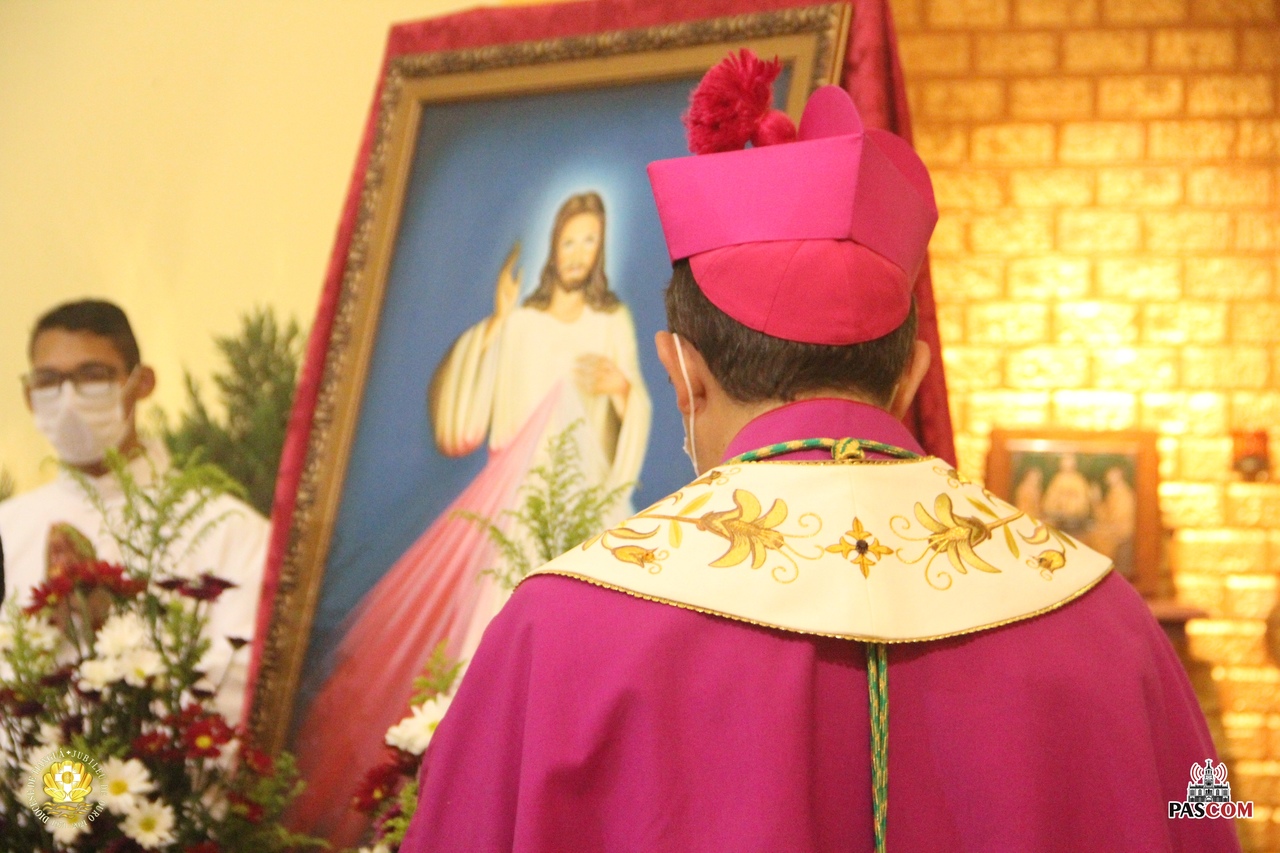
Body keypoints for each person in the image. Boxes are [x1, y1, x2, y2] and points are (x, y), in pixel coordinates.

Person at [399, 51, 1236, 852]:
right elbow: (1208, 811)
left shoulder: (551, 636)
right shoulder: (1115, 626)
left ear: (683, 374)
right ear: (911, 376)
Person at [287, 192, 651, 844]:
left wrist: (623, 392)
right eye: (569, 240)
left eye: (589, 241)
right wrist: (497, 325)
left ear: (600, 251)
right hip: (512, 512)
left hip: (584, 513)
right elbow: (470, 421)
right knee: (486, 642)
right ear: (554, 247)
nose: (577, 253)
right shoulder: (525, 323)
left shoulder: (611, 320)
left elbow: (634, 411)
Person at [0, 300, 268, 724]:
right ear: (29, 396)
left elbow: (243, 684)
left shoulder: (226, 528)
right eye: (48, 381)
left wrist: (116, 635)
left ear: (141, 383)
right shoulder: (8, 528)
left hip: (167, 761)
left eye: (92, 375)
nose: (67, 400)